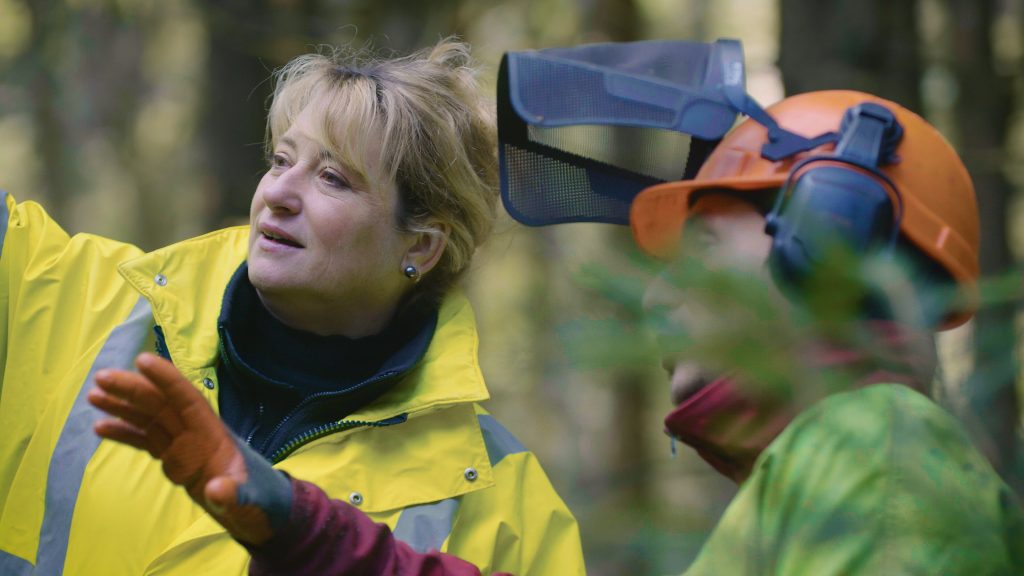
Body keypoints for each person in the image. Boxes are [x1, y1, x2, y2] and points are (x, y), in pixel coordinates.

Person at [89, 67, 1024, 574]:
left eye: (698, 254)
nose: (659, 303)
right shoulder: (821, 483)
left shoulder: (877, 454)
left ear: (829, 235)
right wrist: (300, 525)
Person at [0, 39, 585, 575]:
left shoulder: (503, 498)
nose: (277, 194)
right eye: (281, 161)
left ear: (421, 246)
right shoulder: (68, 293)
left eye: (332, 178)